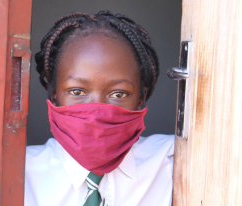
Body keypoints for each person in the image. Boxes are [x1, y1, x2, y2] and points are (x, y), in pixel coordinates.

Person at [24, 11, 174, 206]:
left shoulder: (173, 161)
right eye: (77, 91)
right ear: (54, 96)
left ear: (140, 99)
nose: (97, 111)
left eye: (118, 94)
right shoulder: (19, 173)